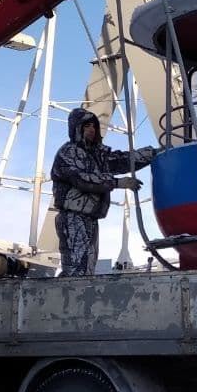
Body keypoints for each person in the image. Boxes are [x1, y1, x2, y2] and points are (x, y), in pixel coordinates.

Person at [51, 108, 156, 277]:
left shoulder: (97, 156)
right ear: (77, 128)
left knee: (86, 269)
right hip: (73, 217)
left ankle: (78, 299)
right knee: (77, 270)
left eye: (94, 126)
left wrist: (154, 154)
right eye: (86, 126)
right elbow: (82, 179)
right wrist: (116, 182)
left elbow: (122, 160)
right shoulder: (68, 152)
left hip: (90, 218)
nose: (92, 129)